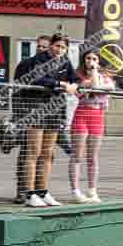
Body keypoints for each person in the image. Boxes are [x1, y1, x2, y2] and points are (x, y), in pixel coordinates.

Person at [15, 32, 80, 208]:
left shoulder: (65, 61)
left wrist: (74, 85)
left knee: (47, 153)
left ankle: (43, 192)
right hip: (36, 107)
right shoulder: (39, 59)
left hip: (56, 109)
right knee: (33, 151)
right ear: (51, 45)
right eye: (57, 45)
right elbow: (38, 78)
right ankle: (29, 194)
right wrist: (61, 85)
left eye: (63, 47)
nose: (59, 49)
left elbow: (75, 79)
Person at [69, 50, 115, 204]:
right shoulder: (78, 77)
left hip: (97, 116)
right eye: (88, 58)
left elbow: (106, 87)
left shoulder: (105, 77)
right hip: (82, 115)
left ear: (99, 61)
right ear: (84, 60)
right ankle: (76, 191)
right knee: (77, 156)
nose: (91, 61)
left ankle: (92, 190)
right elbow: (94, 87)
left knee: (93, 158)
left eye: (94, 59)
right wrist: (94, 76)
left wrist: (96, 74)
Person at [12, 35, 52, 204]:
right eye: (40, 46)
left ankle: (39, 190)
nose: (41, 49)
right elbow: (17, 89)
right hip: (28, 113)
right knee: (27, 153)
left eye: (45, 47)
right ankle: (23, 191)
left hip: (49, 115)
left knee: (46, 154)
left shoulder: (54, 66)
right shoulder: (25, 64)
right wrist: (19, 116)